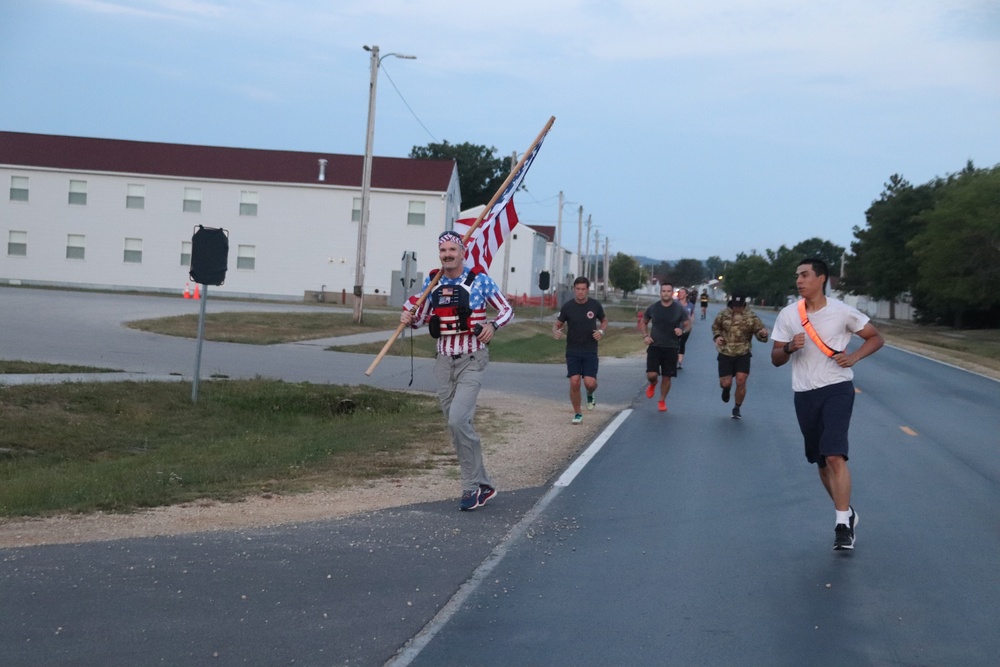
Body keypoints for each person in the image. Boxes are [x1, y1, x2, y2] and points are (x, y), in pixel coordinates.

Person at [771, 257, 884, 551]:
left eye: (805, 275)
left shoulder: (842, 312)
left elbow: (875, 338)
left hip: (837, 388)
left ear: (821, 279)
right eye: (797, 275)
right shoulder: (788, 315)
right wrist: (788, 347)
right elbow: (775, 359)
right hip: (804, 393)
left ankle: (841, 526)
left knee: (835, 455)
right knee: (821, 461)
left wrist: (855, 357)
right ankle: (847, 512)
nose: (799, 280)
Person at [400, 231, 514, 511]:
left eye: (452, 249)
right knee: (457, 427)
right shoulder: (433, 282)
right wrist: (408, 318)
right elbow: (421, 317)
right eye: (443, 250)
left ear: (463, 252)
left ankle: (470, 488)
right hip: (443, 362)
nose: (447, 254)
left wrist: (492, 326)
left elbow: (507, 310)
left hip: (472, 359)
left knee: (458, 421)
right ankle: (484, 484)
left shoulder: (479, 281)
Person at [553, 276, 608, 424]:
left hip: (590, 349)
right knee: (575, 381)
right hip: (573, 349)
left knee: (589, 383)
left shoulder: (595, 305)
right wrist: (556, 331)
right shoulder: (568, 306)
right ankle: (577, 413)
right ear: (574, 290)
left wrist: (601, 332)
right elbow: (557, 324)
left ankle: (590, 393)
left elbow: (604, 321)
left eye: (583, 289)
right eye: (578, 289)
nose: (580, 292)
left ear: (587, 290)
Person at [711, 295, 769, 419]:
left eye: (740, 306)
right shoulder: (723, 314)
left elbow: (759, 332)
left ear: (744, 305)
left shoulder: (751, 316)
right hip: (726, 352)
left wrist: (762, 334)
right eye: (735, 306)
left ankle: (737, 407)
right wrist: (717, 337)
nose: (737, 308)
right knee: (725, 383)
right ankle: (726, 389)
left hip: (743, 353)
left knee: (741, 380)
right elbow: (716, 327)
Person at [641, 282, 691, 412]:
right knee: (652, 374)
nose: (666, 293)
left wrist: (682, 331)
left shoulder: (679, 309)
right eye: (664, 291)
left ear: (672, 293)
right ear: (660, 293)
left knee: (667, 377)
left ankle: (662, 400)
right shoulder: (653, 308)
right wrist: (646, 336)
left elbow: (688, 325)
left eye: (669, 291)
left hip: (671, 347)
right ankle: (653, 383)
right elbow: (643, 322)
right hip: (655, 346)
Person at [676, 287, 696, 369]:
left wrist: (690, 323)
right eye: (679, 293)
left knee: (682, 343)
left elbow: (692, 316)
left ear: (686, 294)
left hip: (686, 328)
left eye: (682, 293)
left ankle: (679, 362)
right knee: (675, 343)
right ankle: (673, 359)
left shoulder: (690, 305)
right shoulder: (675, 303)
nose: (680, 294)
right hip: (676, 326)